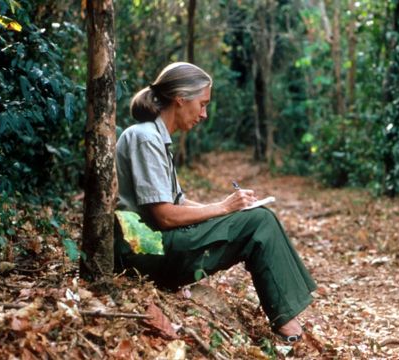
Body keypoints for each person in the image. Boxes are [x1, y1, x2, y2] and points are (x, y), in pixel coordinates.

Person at [114, 62, 316, 342]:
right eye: (202, 104)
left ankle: (289, 314)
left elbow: (178, 202)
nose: (204, 114)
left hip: (156, 244)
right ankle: (288, 323)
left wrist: (230, 207)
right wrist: (224, 209)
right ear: (181, 99)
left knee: (258, 217)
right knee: (259, 222)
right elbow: (165, 216)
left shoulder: (155, 137)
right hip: (144, 250)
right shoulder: (145, 137)